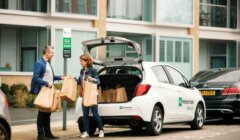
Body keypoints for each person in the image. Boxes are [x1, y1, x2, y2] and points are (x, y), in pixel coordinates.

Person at [30, 46, 64, 140]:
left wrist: (60, 77)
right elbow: (35, 78)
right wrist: (46, 83)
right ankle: (40, 134)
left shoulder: (48, 63)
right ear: (47, 53)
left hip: (49, 91)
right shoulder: (39, 63)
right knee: (42, 113)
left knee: (47, 112)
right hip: (42, 91)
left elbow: (50, 76)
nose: (53, 54)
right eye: (52, 53)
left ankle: (48, 133)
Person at [77, 54, 104, 138]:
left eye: (81, 61)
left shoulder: (93, 70)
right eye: (80, 60)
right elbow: (79, 81)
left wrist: (93, 80)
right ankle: (86, 132)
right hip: (84, 95)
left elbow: (98, 82)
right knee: (85, 115)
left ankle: (101, 130)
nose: (80, 62)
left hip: (92, 95)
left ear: (86, 61)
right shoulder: (82, 71)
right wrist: (72, 78)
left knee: (95, 114)